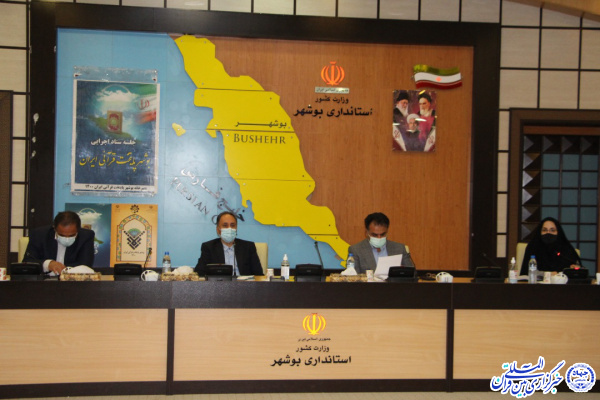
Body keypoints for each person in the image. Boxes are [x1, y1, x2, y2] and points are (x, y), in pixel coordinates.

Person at [23, 211, 95, 274]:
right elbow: (28, 262)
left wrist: (65, 270)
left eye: (71, 235)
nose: (67, 239)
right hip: (43, 281)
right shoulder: (39, 235)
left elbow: (85, 265)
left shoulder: (86, 237)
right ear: (54, 228)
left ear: (78, 230)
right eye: (62, 235)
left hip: (72, 282)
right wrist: (48, 264)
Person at [195, 211, 264, 276]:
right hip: (219, 284)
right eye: (225, 225)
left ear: (236, 228)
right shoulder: (209, 247)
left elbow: (259, 274)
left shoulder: (248, 247)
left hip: (243, 284)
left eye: (232, 225)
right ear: (218, 230)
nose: (229, 228)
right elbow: (199, 272)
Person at [348, 212, 414, 274]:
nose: (379, 238)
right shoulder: (356, 250)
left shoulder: (400, 249)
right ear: (366, 233)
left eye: (382, 234)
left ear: (387, 231)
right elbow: (354, 278)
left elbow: (412, 274)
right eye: (374, 235)